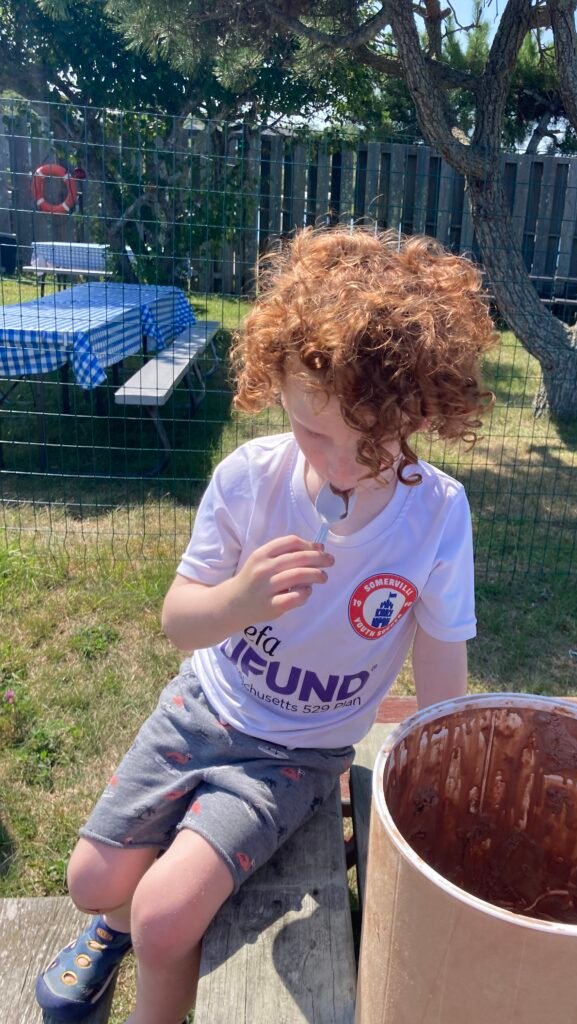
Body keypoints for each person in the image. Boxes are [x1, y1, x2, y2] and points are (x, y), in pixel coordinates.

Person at [35, 225, 499, 1024]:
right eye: (315, 433)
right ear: (275, 385)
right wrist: (239, 602)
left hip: (296, 755)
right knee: (92, 883)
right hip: (201, 711)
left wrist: (442, 779)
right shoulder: (250, 479)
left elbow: (441, 666)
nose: (342, 466)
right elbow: (181, 623)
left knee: (165, 917)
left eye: (374, 443)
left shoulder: (436, 515)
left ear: (424, 409)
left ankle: (148, 958)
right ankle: (112, 928)